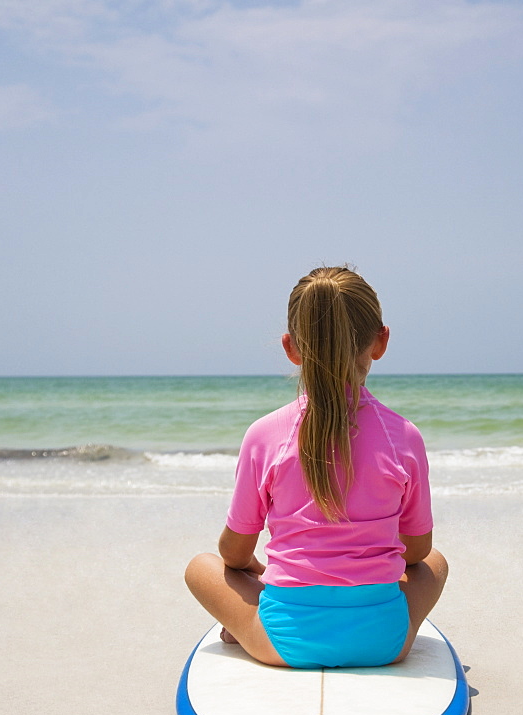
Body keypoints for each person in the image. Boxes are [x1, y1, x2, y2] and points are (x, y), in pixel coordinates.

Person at [184, 266, 447, 668]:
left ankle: (245, 626)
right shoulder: (404, 437)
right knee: (436, 564)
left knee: (201, 567)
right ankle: (362, 617)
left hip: (286, 642)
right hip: (384, 641)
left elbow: (233, 555)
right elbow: (417, 551)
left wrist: (256, 570)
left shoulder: (265, 434)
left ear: (290, 347)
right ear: (381, 342)